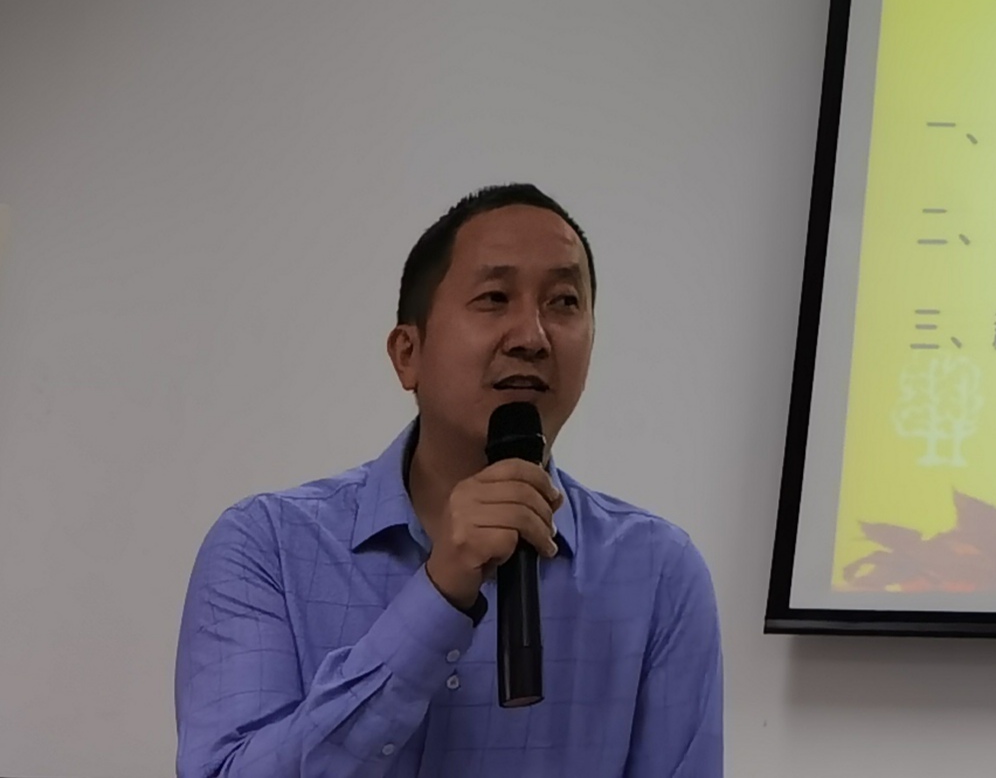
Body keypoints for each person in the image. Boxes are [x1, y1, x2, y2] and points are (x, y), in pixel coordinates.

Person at [175, 185, 722, 776]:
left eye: (564, 302)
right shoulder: (265, 546)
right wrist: (437, 598)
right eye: (494, 298)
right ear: (407, 353)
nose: (532, 336)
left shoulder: (659, 573)